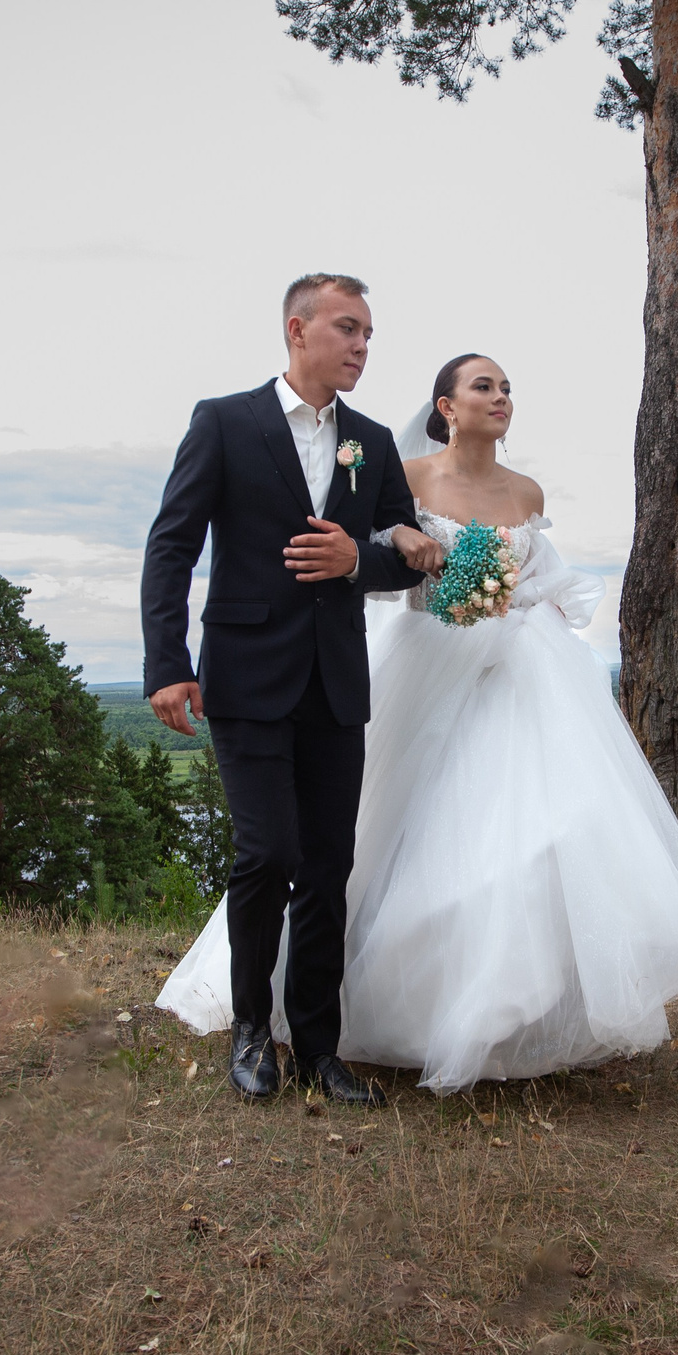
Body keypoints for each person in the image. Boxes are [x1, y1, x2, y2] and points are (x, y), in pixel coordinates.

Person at [158, 352, 678, 1091]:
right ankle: (324, 1012)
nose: (500, 397)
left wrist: (527, 603)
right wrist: (421, 565)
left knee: (529, 832)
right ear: (446, 406)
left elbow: (545, 574)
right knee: (381, 835)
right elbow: (381, 551)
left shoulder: (526, 489)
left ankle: (509, 1014)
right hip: (429, 657)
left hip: (519, 672)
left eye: (507, 388)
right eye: (484, 385)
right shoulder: (403, 471)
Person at [139, 273, 441, 1106]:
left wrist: (359, 560)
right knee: (266, 853)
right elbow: (172, 545)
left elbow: (401, 552)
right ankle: (249, 1030)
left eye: (370, 333)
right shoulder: (224, 423)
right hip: (244, 674)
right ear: (297, 330)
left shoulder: (373, 441)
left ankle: (318, 1045)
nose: (362, 345)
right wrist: (167, 662)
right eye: (348, 328)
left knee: (327, 864)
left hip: (336, 683)